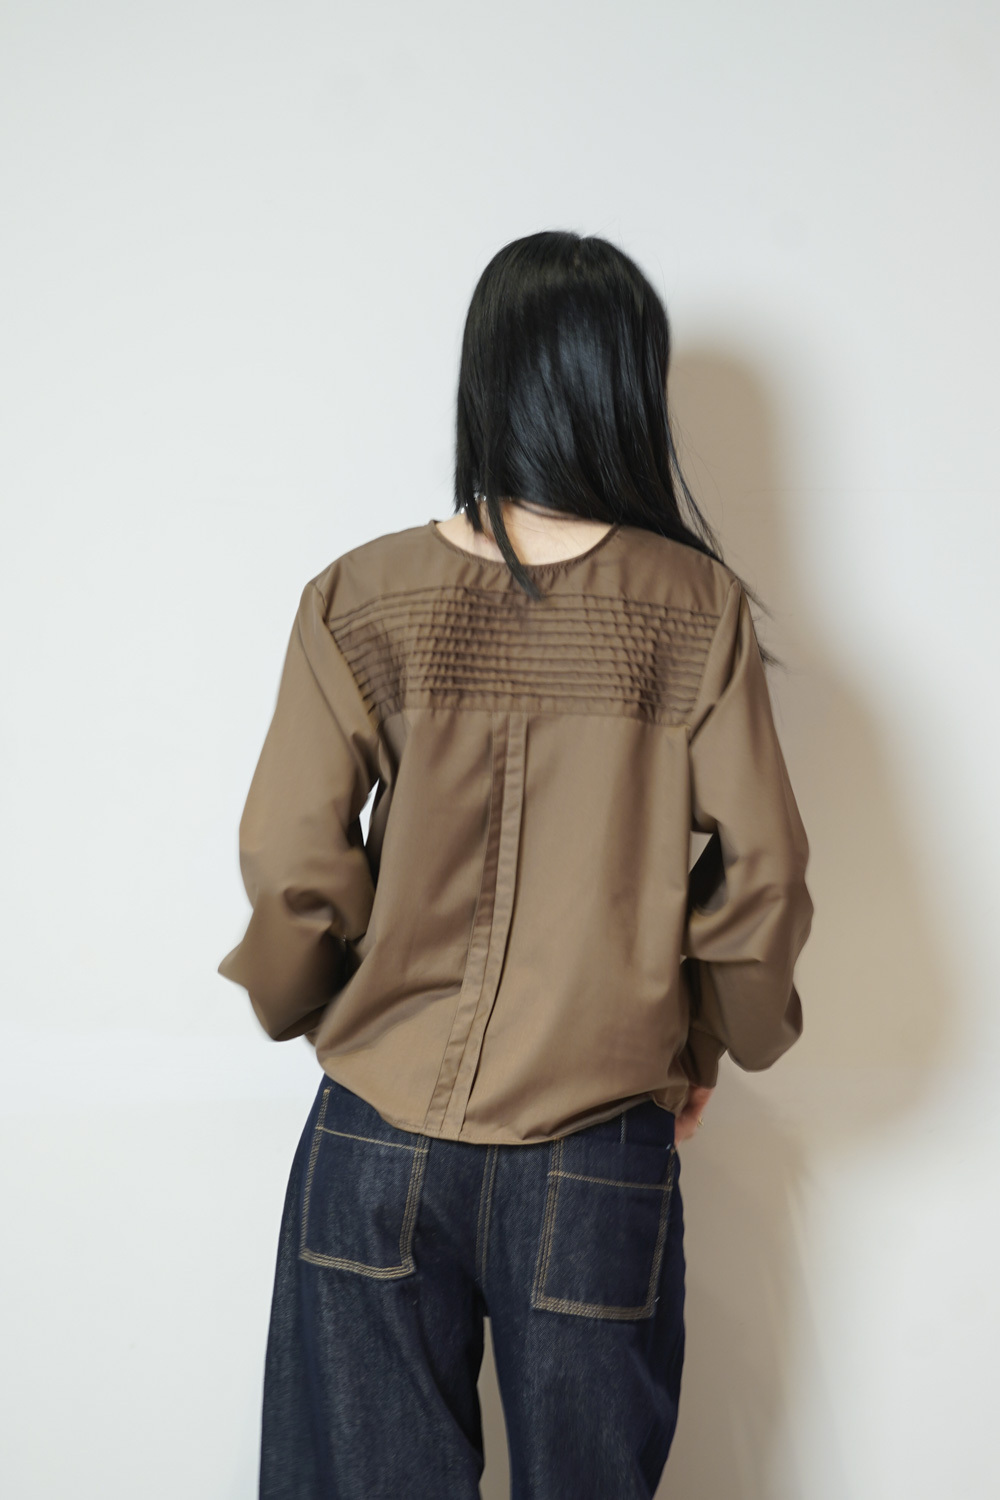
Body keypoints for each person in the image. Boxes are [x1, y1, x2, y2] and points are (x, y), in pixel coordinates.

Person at [217, 230, 814, 1499]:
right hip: (596, 1146)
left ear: (484, 376)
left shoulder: (359, 596)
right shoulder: (694, 609)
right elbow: (761, 878)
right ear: (625, 386)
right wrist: (709, 1044)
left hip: (374, 1136)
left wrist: (309, 1006)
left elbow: (294, 859)